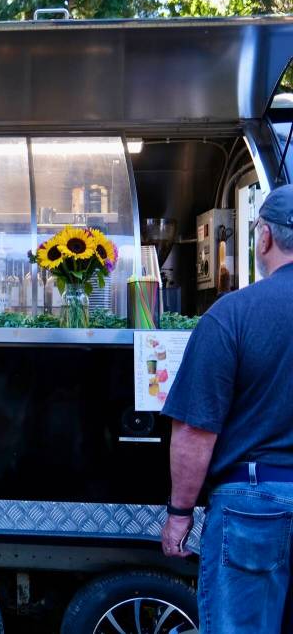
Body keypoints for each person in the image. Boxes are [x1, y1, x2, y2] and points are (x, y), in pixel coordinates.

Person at [161, 183, 293, 633]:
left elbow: (196, 430)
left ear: (265, 238)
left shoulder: (231, 315)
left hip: (252, 505)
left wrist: (180, 515)